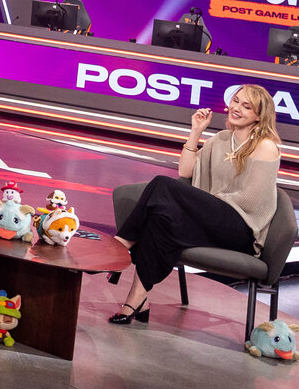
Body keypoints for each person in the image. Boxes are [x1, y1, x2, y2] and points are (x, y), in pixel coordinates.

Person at [109, 82, 282, 324]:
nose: (236, 108)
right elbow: (186, 171)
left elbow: (252, 200)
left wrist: (204, 203)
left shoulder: (265, 146)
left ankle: (122, 243)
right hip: (213, 221)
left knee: (162, 184)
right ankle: (137, 301)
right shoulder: (222, 139)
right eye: (235, 101)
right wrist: (196, 132)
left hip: (241, 229)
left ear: (258, 116)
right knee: (160, 220)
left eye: (246, 106)